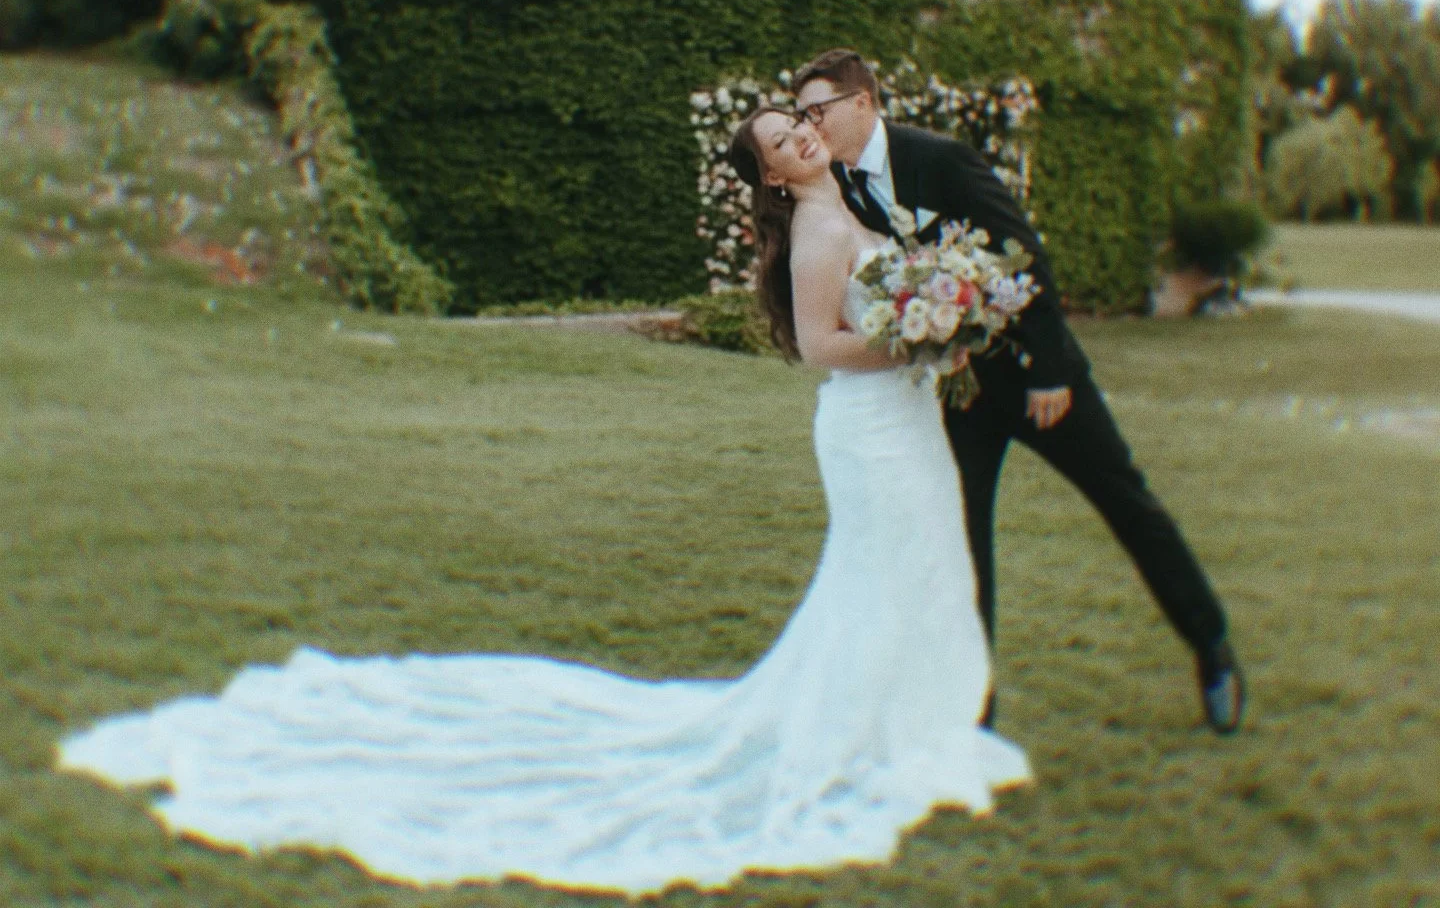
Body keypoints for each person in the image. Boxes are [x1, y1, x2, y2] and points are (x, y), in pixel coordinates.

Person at [57, 107, 1028, 895]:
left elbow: (891, 293)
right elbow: (821, 346)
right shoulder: (816, 231)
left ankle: (911, 724)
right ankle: (867, 741)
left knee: (917, 568)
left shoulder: (850, 201)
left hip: (901, 423)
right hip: (868, 423)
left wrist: (937, 312)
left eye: (801, 125)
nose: (804, 138)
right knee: (882, 575)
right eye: (783, 140)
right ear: (773, 175)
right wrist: (918, 340)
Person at [791, 47, 1245, 734]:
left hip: (1038, 378)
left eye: (817, 110)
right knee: (961, 540)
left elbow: (1023, 251)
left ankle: (1211, 646)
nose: (810, 125)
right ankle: (975, 708)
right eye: (801, 116)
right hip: (958, 391)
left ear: (862, 104)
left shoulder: (940, 160)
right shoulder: (846, 190)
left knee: (1125, 501)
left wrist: (1050, 371)